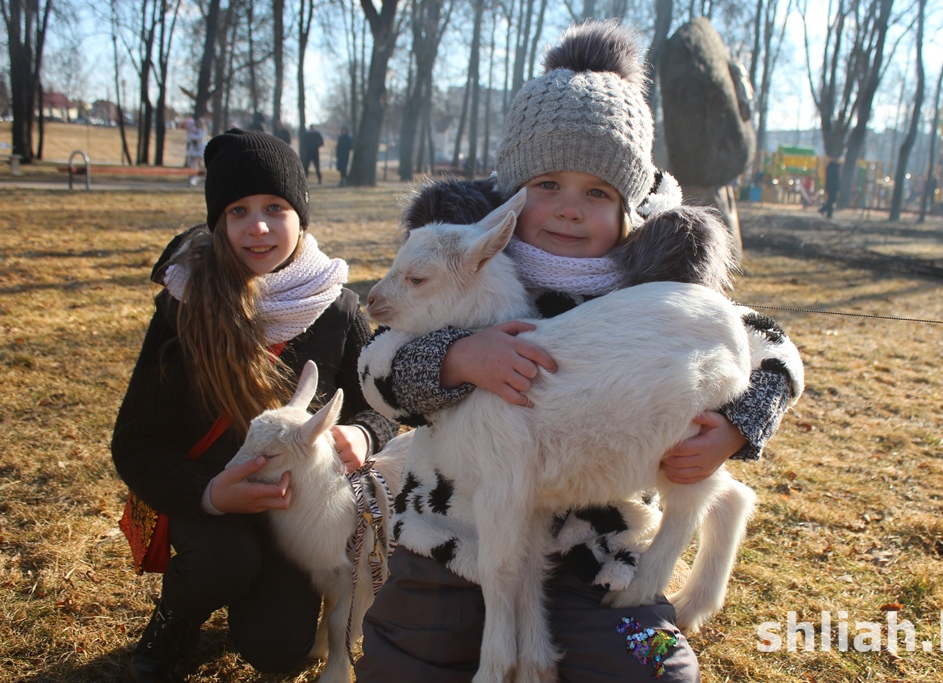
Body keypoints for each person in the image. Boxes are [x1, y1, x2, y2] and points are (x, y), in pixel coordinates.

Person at [354, 21, 803, 683]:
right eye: (547, 185)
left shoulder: (655, 284)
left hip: (602, 542)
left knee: (653, 668)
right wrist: (455, 359)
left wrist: (738, 421)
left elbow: (773, 346)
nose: (569, 209)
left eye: (597, 192)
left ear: (631, 206)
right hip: (457, 530)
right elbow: (376, 367)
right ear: (512, 191)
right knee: (407, 658)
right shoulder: (460, 271)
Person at [111, 128, 397, 682]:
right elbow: (136, 441)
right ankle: (175, 619)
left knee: (280, 654)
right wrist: (211, 493)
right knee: (225, 560)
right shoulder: (185, 303)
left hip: (300, 513)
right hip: (209, 509)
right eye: (238, 211)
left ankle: (255, 608)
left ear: (301, 215)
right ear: (219, 223)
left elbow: (382, 404)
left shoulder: (336, 308)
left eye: (275, 207)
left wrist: (363, 434)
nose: (258, 226)